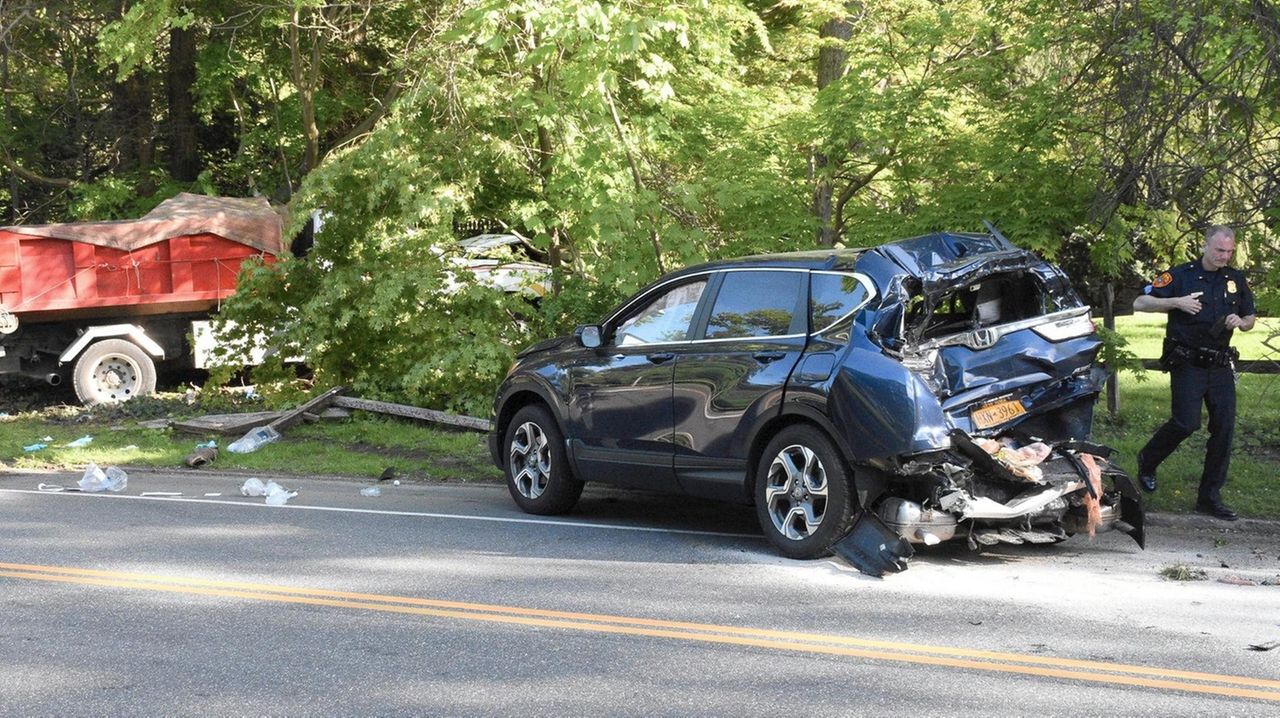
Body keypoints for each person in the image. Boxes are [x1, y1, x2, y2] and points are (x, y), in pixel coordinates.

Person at [1133, 225, 1256, 521]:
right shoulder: (1180, 275)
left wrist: (1240, 321)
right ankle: (1147, 460)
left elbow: (1251, 317)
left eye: (1228, 251)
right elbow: (1140, 302)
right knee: (1186, 423)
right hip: (1188, 362)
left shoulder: (1235, 280)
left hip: (1220, 365)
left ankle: (1209, 497)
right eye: (1218, 251)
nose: (1224, 257)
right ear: (1204, 246)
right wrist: (1175, 302)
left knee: (1224, 429)